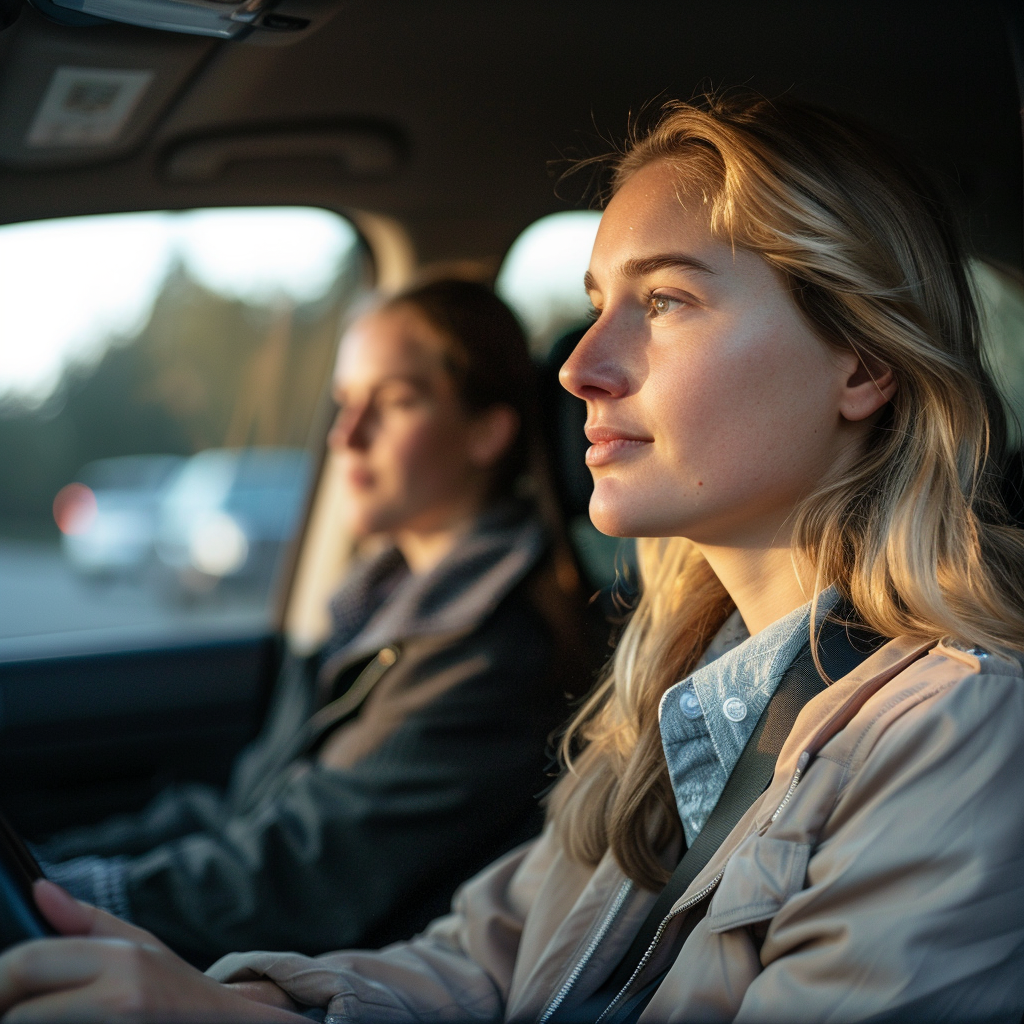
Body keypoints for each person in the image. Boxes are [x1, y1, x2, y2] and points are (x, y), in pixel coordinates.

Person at [3, 93, 1024, 1023]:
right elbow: (482, 967)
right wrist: (229, 1004)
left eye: (664, 301)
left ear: (863, 362)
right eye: (594, 303)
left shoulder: (960, 732)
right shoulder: (679, 688)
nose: (580, 366)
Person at [31, 278, 597, 966]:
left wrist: (74, 901)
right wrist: (49, 868)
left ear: (487, 432)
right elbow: (247, 807)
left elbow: (302, 873)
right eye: (344, 403)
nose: (345, 436)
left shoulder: (496, 656)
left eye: (392, 403)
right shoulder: (373, 605)